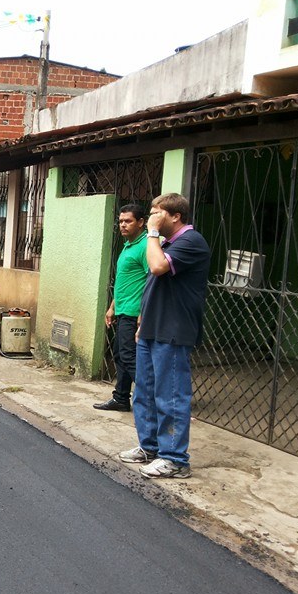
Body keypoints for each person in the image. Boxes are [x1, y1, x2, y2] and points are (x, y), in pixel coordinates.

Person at [119, 193, 210, 479]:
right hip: (151, 328)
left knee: (170, 396)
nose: (152, 217)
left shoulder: (191, 242)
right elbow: (154, 285)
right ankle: (150, 446)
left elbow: (158, 268)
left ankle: (175, 458)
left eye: (156, 212)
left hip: (173, 331)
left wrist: (153, 232)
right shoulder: (165, 243)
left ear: (175, 216)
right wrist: (141, 322)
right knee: (144, 392)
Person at [94, 204, 149, 412]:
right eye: (120, 221)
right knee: (120, 354)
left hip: (134, 312)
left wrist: (144, 313)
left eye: (128, 221)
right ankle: (121, 398)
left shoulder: (146, 246)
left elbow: (152, 281)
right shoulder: (128, 246)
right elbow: (123, 281)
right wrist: (111, 307)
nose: (123, 225)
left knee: (129, 357)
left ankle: (151, 402)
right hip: (122, 309)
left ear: (141, 222)